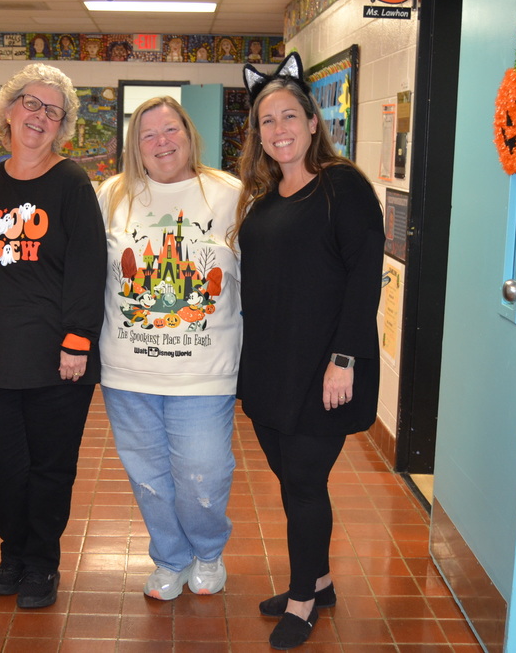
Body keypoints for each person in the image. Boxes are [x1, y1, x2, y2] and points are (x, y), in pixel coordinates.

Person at [232, 53, 385, 649]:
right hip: (272, 367)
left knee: (303, 483)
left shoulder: (340, 186)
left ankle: (302, 599)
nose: (279, 130)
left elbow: (364, 275)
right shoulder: (265, 199)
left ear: (313, 122)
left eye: (289, 116)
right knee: (291, 479)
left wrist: (343, 359)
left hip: (324, 368)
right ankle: (317, 580)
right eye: (267, 121)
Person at [0, 63, 106, 610]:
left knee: (51, 467)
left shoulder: (71, 182)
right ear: (7, 110)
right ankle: (13, 547)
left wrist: (79, 339)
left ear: (63, 126)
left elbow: (88, 266)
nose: (40, 116)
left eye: (54, 111)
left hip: (57, 356)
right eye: (31, 103)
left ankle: (40, 560)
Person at [97, 97, 242, 601]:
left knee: (203, 472)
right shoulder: (112, 193)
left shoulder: (229, 193)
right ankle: (170, 558)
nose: (161, 142)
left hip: (204, 371)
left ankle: (207, 551)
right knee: (149, 477)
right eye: (148, 134)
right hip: (126, 369)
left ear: (189, 132)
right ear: (134, 144)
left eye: (170, 129)